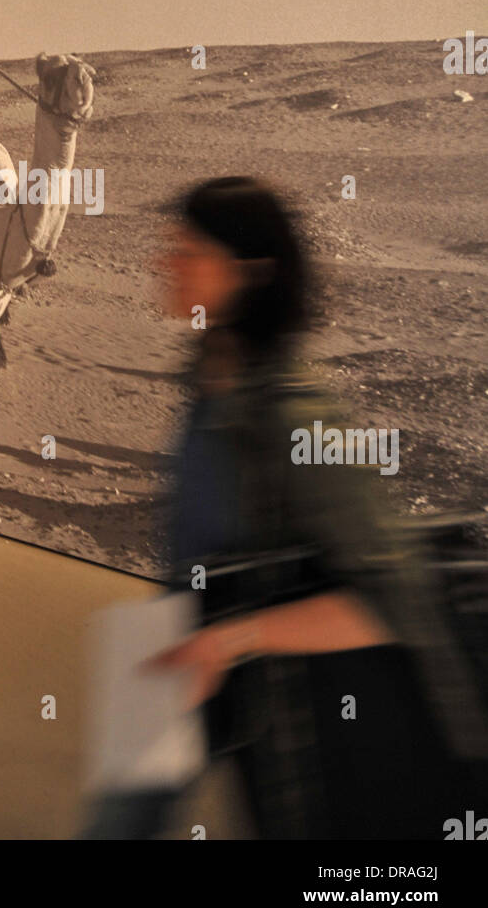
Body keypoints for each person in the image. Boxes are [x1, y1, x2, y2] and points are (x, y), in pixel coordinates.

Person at [78, 176, 486, 839]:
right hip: (179, 641)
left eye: (186, 252)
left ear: (247, 272)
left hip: (249, 667)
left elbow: (393, 599)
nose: (164, 264)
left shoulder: (300, 413)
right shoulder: (209, 378)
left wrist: (230, 640)